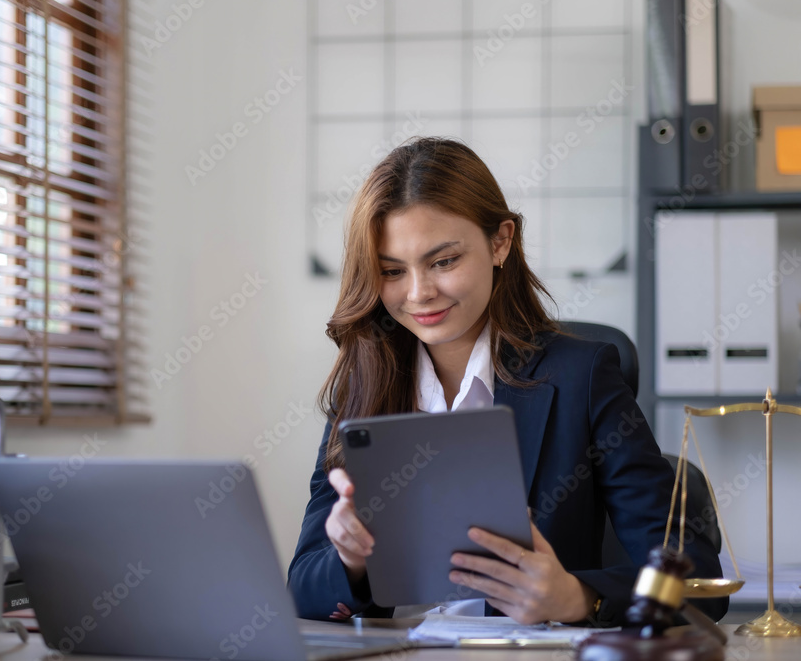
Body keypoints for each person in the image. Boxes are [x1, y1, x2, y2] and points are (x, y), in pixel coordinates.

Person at [286, 137, 727, 627]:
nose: (419, 293)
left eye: (444, 261)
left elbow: (698, 581)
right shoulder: (364, 384)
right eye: (392, 271)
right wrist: (350, 559)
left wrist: (582, 598)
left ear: (500, 242)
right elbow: (303, 590)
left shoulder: (582, 377)